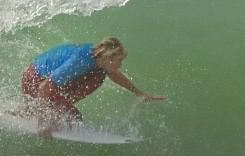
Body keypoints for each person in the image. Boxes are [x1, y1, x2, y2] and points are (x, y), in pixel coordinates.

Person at [19, 37, 166, 137]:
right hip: (34, 81)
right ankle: (42, 114)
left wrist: (139, 93)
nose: (120, 64)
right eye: (119, 60)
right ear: (107, 58)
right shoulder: (80, 61)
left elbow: (115, 75)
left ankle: (34, 109)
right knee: (74, 117)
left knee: (98, 76)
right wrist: (41, 123)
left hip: (45, 81)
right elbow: (44, 87)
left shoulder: (97, 59)